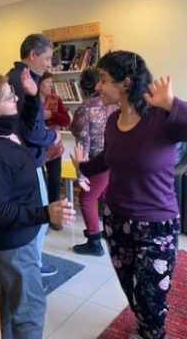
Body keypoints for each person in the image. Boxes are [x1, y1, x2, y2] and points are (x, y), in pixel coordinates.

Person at [70, 51, 187, 339]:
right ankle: (143, 325)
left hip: (156, 225)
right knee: (131, 288)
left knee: (152, 293)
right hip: (116, 220)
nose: (98, 87)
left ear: (126, 83)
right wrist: (84, 166)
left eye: (103, 80)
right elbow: (109, 157)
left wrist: (172, 103)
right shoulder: (113, 120)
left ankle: (151, 332)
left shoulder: (162, 118)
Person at [0, 73, 75, 339]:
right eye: (8, 96)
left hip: (13, 237)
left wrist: (34, 95)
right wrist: (45, 212)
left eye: (13, 91)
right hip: (11, 242)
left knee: (13, 298)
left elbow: (28, 122)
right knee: (30, 309)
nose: (15, 97)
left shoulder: (1, 128)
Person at [7, 34, 61, 277]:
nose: (50, 64)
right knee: (39, 218)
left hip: (20, 160)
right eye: (47, 58)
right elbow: (31, 131)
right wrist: (53, 137)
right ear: (32, 54)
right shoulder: (24, 82)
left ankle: (29, 263)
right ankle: (33, 265)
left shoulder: (14, 78)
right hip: (27, 161)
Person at [70, 68, 117, 255]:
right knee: (105, 196)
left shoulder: (84, 110)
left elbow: (83, 146)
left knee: (87, 199)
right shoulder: (112, 104)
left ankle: (94, 242)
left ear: (82, 87)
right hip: (113, 160)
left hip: (97, 163)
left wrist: (81, 174)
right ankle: (107, 231)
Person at [39, 71, 71, 231]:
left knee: (54, 183)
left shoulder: (55, 99)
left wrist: (51, 114)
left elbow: (66, 120)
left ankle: (55, 217)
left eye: (52, 83)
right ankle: (42, 217)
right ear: (38, 84)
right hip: (35, 150)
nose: (51, 86)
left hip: (54, 149)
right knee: (39, 184)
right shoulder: (29, 101)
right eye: (48, 83)